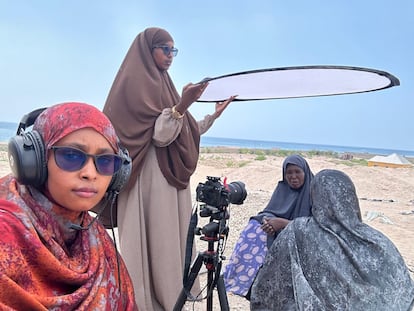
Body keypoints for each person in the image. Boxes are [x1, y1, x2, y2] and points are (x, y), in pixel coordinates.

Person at [102, 27, 236, 310]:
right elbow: (160, 135)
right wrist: (181, 105)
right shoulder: (133, 85)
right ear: (147, 50)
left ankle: (171, 298)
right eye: (165, 49)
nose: (171, 56)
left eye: (174, 50)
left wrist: (212, 115)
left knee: (170, 242)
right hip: (146, 180)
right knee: (150, 240)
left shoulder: (165, 84)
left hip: (169, 180)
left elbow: (182, 132)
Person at [0, 102, 137, 310]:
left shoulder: (96, 240)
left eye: (106, 160)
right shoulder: (5, 239)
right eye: (71, 155)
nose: (90, 173)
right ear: (35, 161)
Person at [251, 169, 414, 310]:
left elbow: (268, 291)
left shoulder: (298, 232)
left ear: (315, 197)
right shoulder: (378, 242)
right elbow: (402, 292)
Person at [223, 154, 314, 299]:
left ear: (305, 172)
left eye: (297, 172)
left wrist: (283, 224)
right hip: (279, 234)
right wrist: (268, 222)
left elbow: (317, 227)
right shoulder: (282, 189)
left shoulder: (314, 193)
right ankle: (240, 280)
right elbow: (269, 211)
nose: (293, 176)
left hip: (304, 242)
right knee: (254, 226)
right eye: (289, 173)